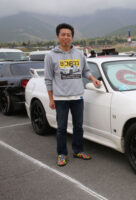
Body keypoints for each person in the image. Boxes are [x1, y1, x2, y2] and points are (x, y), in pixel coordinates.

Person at [44, 23, 101, 167]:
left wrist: (93, 79)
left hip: (77, 97)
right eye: (63, 34)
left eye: (68, 35)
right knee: (61, 128)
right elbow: (48, 79)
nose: (66, 37)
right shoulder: (51, 56)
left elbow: (86, 71)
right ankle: (61, 154)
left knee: (78, 126)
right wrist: (51, 99)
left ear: (72, 37)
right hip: (60, 98)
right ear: (58, 36)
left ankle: (78, 150)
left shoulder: (79, 53)